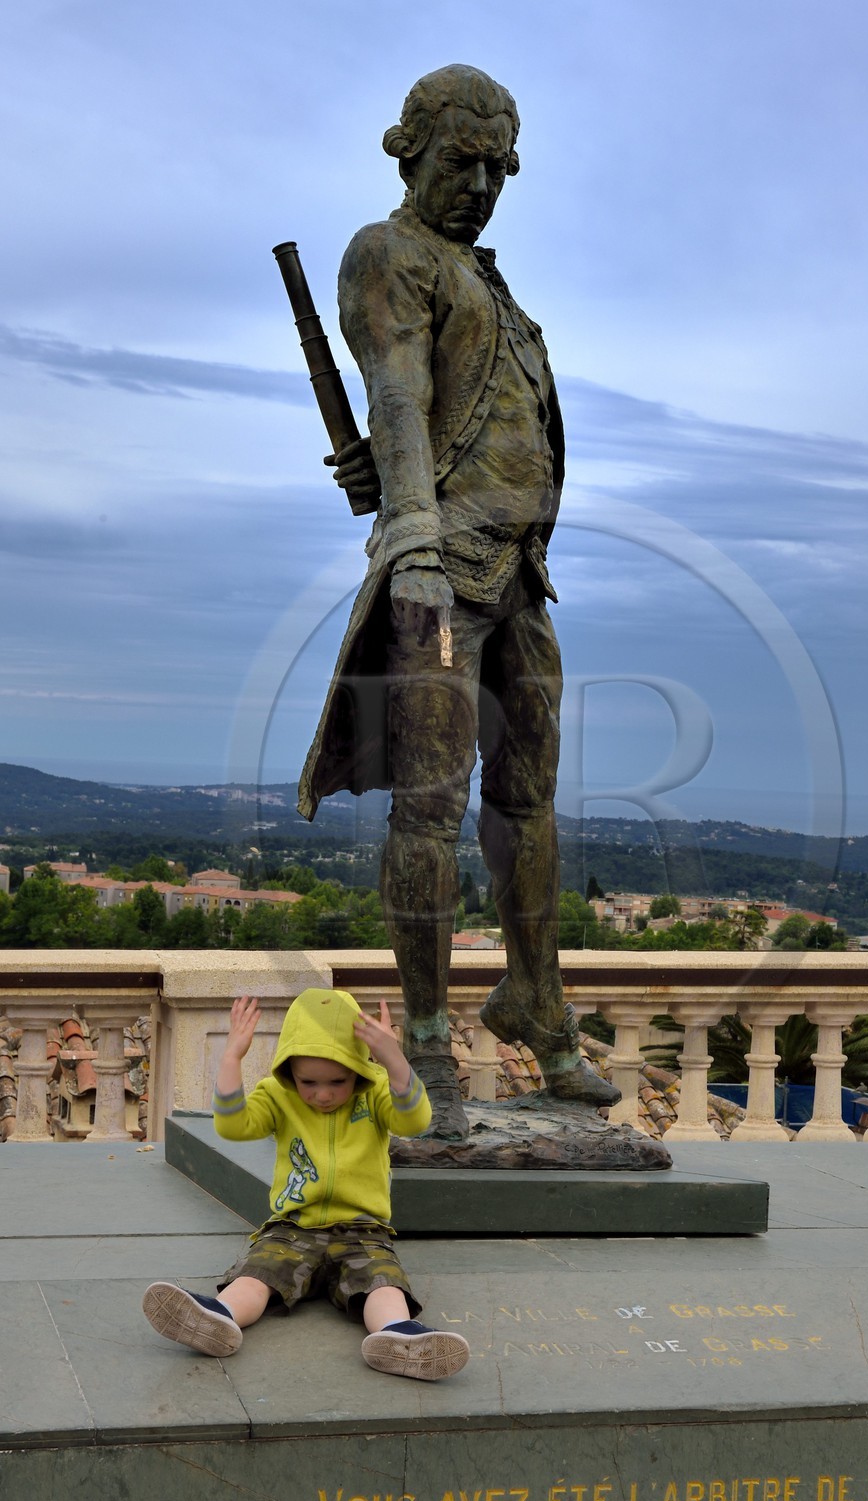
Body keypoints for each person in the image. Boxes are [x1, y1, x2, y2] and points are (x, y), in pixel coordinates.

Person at [297, 64, 619, 1137]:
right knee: (429, 806)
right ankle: (426, 1039)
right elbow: (397, 390)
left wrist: (396, 478)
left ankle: (535, 999)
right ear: (410, 154)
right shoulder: (388, 253)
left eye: (495, 168)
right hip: (442, 573)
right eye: (459, 163)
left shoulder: (485, 277)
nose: (479, 184)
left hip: (519, 572)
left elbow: (444, 415)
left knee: (527, 795)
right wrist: (414, 533)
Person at [142, 989, 470, 1381]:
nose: (323, 1094)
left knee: (381, 1282)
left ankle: (395, 1334)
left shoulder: (377, 1091)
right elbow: (232, 1125)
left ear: (359, 1069)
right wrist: (231, 1057)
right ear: (289, 1071)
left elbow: (415, 1121)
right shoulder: (279, 1095)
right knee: (258, 1273)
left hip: (362, 1231)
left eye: (338, 1080)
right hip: (292, 1228)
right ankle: (219, 1316)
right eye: (308, 1082)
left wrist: (394, 1060)